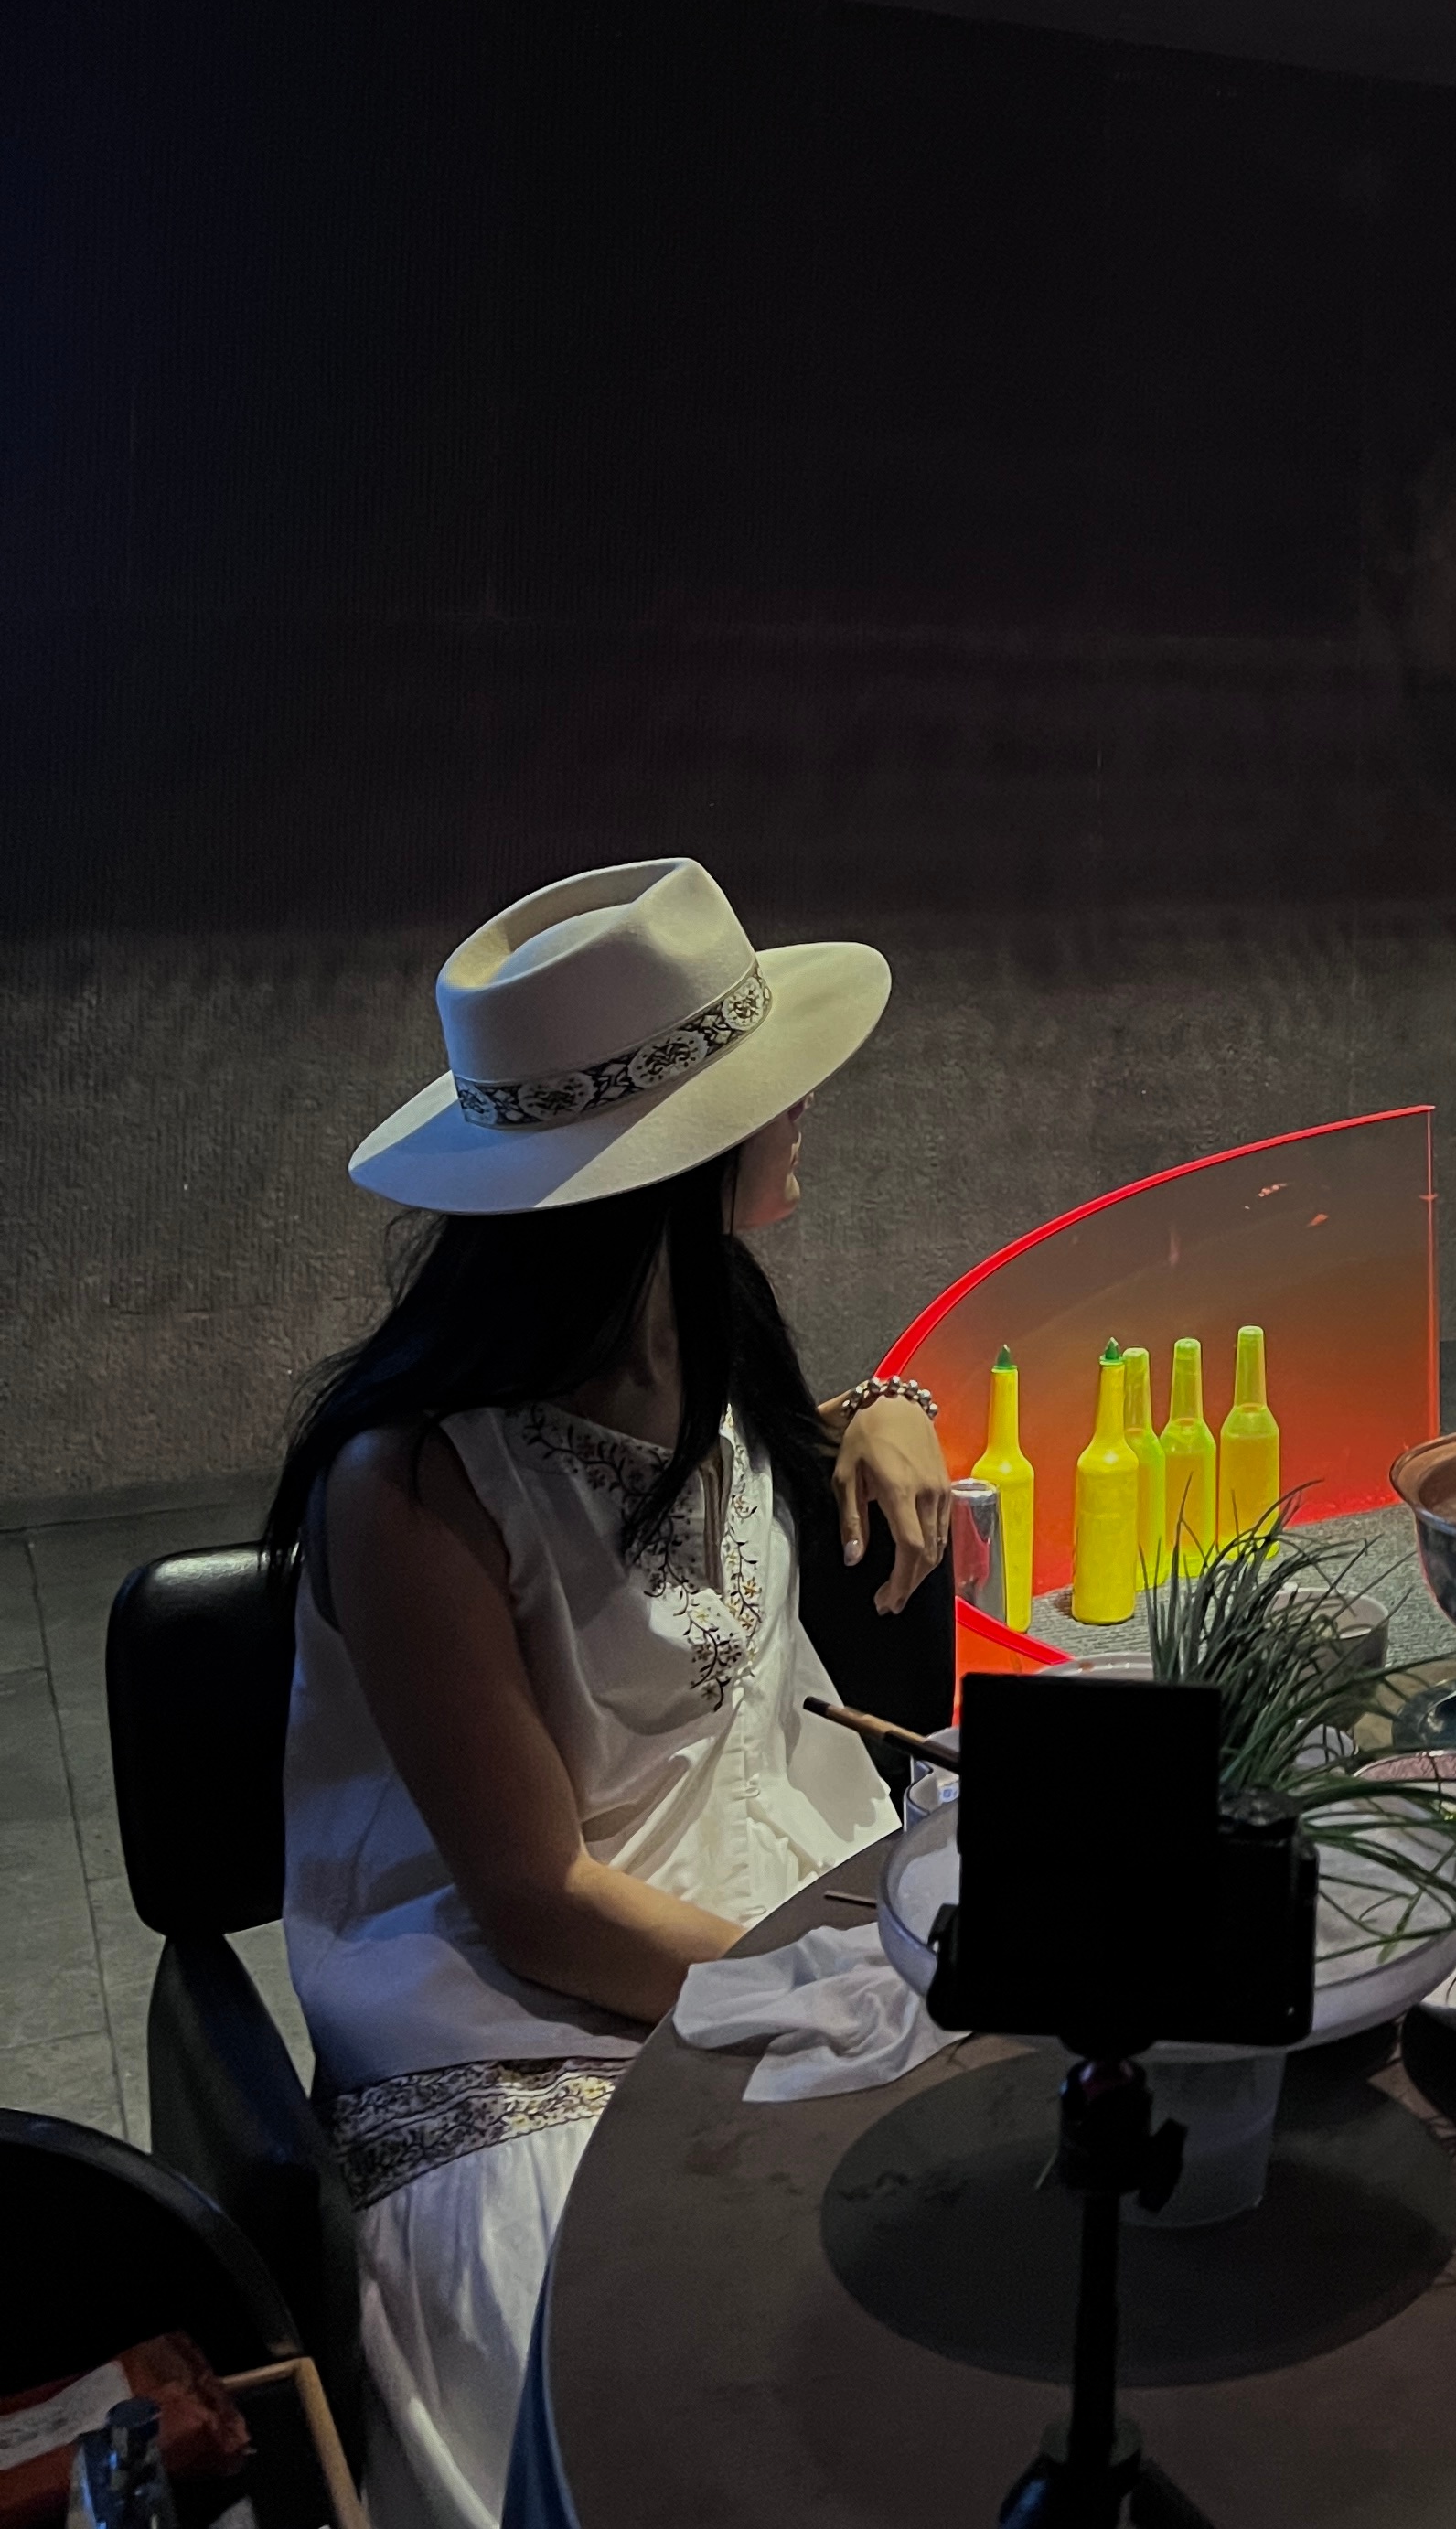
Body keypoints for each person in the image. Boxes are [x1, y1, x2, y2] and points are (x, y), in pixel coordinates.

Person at [262, 856, 953, 2529]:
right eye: (762, 1083)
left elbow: (749, 1477)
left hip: (781, 1909)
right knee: (677, 2405)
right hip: (525, 2033)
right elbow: (540, 1903)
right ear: (676, 1154)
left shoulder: (699, 1307)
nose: (799, 1106)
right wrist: (826, 1980)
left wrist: (887, 1401)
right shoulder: (408, 1483)